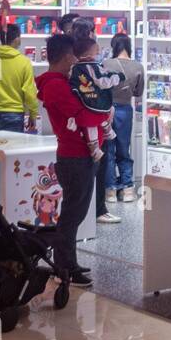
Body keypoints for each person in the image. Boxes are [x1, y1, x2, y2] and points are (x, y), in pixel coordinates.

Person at [36, 33, 106, 289]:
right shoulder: (56, 86)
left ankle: (69, 263)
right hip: (75, 157)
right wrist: (101, 113)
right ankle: (64, 268)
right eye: (75, 57)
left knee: (74, 213)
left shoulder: (62, 83)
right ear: (67, 57)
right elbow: (86, 116)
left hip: (80, 155)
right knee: (71, 215)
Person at [68, 35, 125, 224]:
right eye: (96, 49)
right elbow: (102, 81)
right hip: (91, 103)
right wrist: (117, 77)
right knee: (93, 122)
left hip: (92, 103)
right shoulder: (90, 67)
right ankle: (94, 147)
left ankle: (105, 131)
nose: (99, 52)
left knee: (105, 114)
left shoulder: (75, 68)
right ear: (89, 52)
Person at [102, 33, 143, 204]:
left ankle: (110, 190)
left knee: (108, 150)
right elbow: (138, 92)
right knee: (124, 149)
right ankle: (127, 189)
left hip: (107, 110)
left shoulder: (105, 64)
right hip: (126, 110)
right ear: (129, 46)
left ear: (114, 46)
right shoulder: (138, 66)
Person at [0, 23, 38, 134]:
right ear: (16, 39)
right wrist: (33, 114)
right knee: (12, 150)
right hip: (13, 113)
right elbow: (29, 92)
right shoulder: (24, 62)